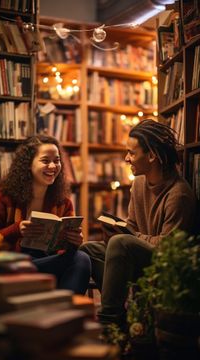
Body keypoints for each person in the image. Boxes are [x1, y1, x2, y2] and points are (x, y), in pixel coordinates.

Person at [80, 119, 196, 326]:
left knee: (120, 243)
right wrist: (118, 230)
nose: (126, 158)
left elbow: (168, 250)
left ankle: (109, 322)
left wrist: (129, 236)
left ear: (151, 156)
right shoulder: (139, 184)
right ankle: (122, 315)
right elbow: (132, 225)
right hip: (139, 254)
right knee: (88, 249)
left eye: (132, 153)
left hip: (163, 264)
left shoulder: (179, 195)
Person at [0, 134, 91, 294]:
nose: (53, 166)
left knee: (81, 258)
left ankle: (65, 311)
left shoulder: (63, 202)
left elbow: (63, 255)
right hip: (13, 263)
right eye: (45, 161)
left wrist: (73, 242)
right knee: (76, 260)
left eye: (57, 160)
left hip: (48, 262)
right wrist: (15, 230)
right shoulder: (3, 197)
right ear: (28, 164)